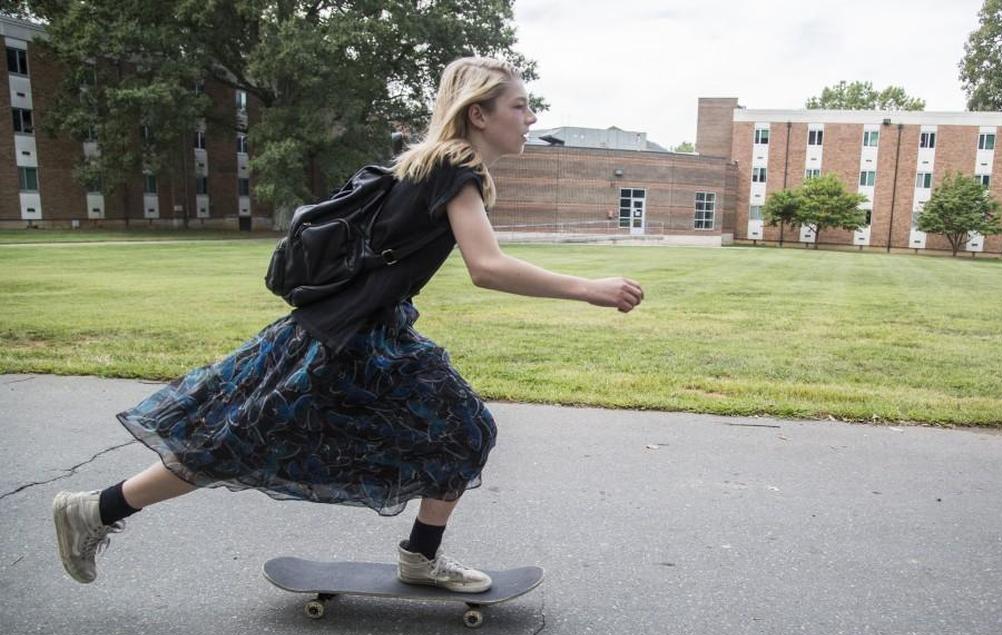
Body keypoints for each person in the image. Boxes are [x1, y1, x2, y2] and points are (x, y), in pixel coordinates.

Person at [52, 56, 644, 593]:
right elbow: (486, 268)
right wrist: (588, 289)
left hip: (355, 334)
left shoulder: (432, 167)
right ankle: (419, 557)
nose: (529, 116)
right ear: (480, 114)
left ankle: (95, 511)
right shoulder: (452, 170)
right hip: (348, 341)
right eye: (519, 105)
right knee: (243, 442)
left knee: (244, 441)